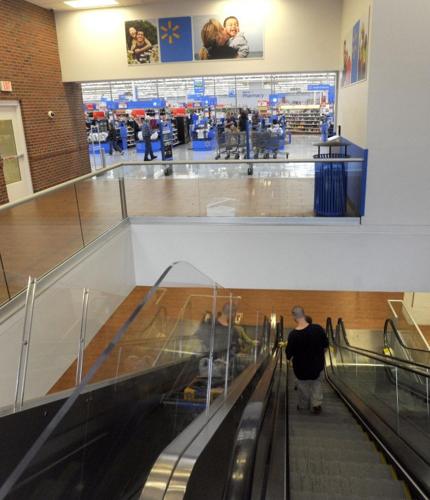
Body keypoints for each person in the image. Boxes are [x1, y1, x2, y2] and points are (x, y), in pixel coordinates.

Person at [286, 306, 328, 414]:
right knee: (316, 384)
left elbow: (288, 353)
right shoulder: (318, 329)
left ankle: (303, 405)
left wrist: (289, 358)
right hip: (317, 365)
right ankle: (316, 404)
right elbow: (326, 345)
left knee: (303, 387)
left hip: (301, 368)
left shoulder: (293, 334)